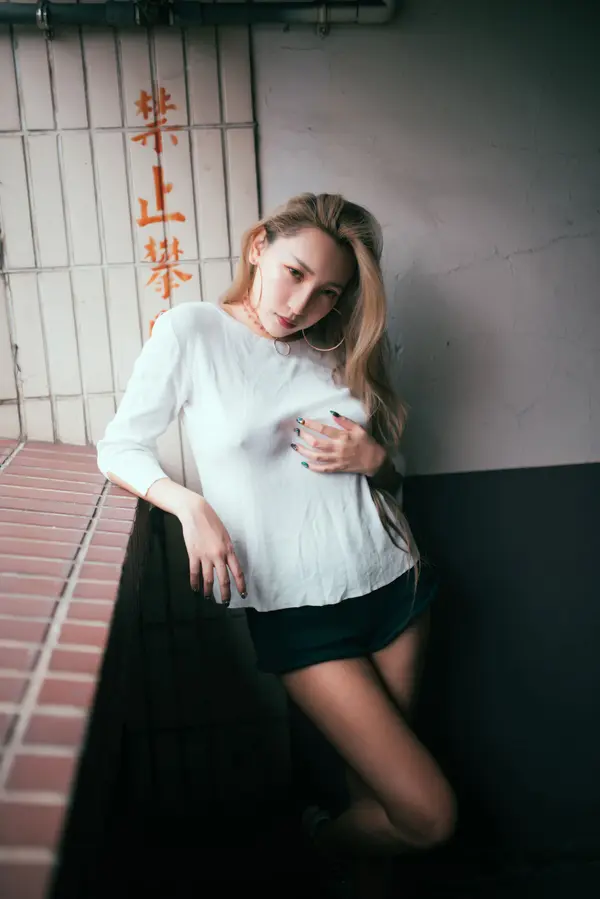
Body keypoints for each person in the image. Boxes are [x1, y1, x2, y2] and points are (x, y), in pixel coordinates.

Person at [97, 193, 456, 896]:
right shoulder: (192, 330)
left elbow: (393, 480)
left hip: (395, 586)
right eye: (294, 273)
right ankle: (316, 839)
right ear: (259, 246)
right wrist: (189, 504)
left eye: (328, 293)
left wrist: (376, 460)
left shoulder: (338, 347)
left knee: (379, 807)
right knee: (428, 816)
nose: (301, 305)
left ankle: (344, 859)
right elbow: (119, 446)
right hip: (300, 616)